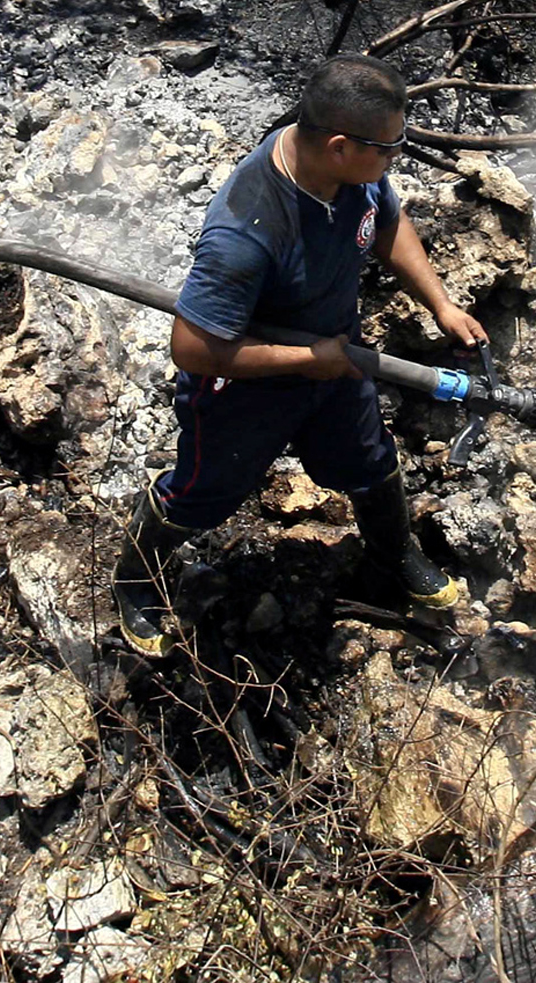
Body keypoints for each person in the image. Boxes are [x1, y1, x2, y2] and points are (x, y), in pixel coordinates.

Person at [113, 54, 486, 658]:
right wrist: (306, 358)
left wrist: (439, 302)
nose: (395, 159)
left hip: (335, 357)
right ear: (339, 146)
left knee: (367, 459)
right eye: (388, 149)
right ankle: (136, 581)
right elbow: (193, 347)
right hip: (245, 385)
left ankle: (395, 556)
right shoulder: (247, 228)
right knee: (206, 490)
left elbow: (387, 221)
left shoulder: (356, 172)